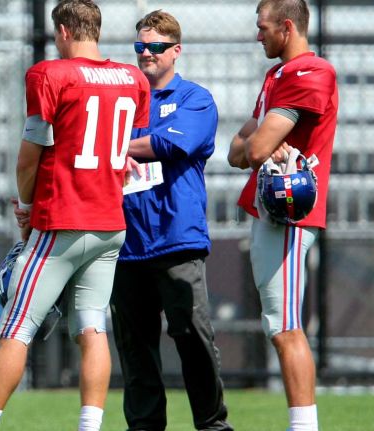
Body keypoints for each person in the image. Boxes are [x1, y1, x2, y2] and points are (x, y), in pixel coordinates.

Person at [0, 1, 150, 430]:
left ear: (65, 32)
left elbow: (28, 159)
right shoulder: (132, 77)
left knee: (16, 327)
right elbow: (119, 145)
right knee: (92, 329)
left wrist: (28, 208)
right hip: (109, 223)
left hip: (62, 220)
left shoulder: (51, 74)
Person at [110, 10, 233, 431]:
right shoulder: (124, 102)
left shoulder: (194, 99)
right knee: (135, 349)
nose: (147, 53)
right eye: (140, 46)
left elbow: (170, 143)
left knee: (193, 337)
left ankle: (212, 425)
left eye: (156, 47)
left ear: (176, 51)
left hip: (177, 239)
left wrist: (118, 148)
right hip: (126, 244)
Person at [227, 1, 337, 430]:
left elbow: (252, 149)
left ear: (287, 27)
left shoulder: (312, 72)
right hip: (268, 209)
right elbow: (239, 148)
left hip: (289, 214)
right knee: (280, 324)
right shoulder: (277, 74)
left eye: (264, 28)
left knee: (286, 326)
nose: (259, 36)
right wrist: (256, 145)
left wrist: (257, 145)